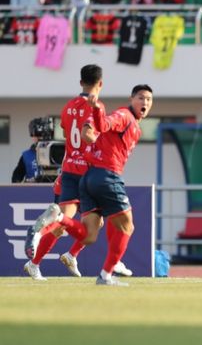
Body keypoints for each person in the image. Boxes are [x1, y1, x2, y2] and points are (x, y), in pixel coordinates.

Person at [23, 64, 133, 280]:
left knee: (71, 222)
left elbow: (67, 134)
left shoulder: (68, 107)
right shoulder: (97, 106)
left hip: (69, 170)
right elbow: (89, 135)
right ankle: (110, 260)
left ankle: (52, 258)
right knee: (112, 216)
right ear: (101, 83)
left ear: (81, 82)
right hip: (89, 172)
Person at [79, 84, 153, 286]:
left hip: (89, 177)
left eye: (148, 99)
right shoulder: (124, 116)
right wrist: (96, 110)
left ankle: (59, 220)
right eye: (141, 97)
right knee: (127, 225)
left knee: (89, 235)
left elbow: (98, 132)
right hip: (106, 176)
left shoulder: (135, 126)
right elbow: (104, 124)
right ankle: (105, 275)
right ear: (131, 99)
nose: (145, 102)